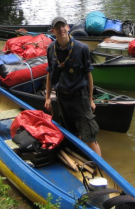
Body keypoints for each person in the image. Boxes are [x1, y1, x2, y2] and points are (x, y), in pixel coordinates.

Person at [44, 17, 102, 157]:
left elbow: (88, 75)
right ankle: (82, 159)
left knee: (90, 136)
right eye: (57, 27)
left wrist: (90, 99)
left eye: (63, 26)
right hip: (62, 97)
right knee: (71, 133)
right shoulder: (51, 49)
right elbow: (49, 74)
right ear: (53, 31)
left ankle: (102, 168)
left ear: (68, 27)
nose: (61, 29)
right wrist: (47, 97)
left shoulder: (81, 48)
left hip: (79, 97)